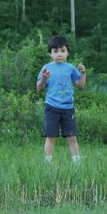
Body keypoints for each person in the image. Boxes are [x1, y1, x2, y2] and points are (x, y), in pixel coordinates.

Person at [36, 34, 86, 164]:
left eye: (63, 51)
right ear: (50, 54)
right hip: (51, 107)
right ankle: (47, 164)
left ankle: (77, 164)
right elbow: (39, 88)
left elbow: (80, 85)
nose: (59, 54)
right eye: (55, 51)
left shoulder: (70, 68)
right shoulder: (46, 68)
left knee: (72, 137)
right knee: (50, 137)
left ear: (67, 52)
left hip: (68, 108)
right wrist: (44, 79)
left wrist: (83, 73)